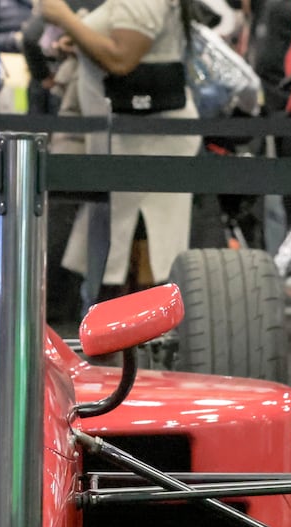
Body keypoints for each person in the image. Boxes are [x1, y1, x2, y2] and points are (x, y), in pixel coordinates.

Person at [40, 0, 202, 303]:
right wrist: (81, 42)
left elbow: (121, 59)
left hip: (146, 145)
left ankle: (137, 342)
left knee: (140, 258)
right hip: (127, 141)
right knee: (112, 256)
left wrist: (65, 18)